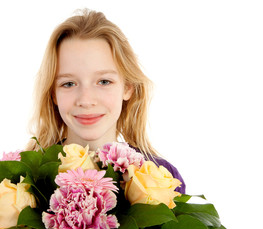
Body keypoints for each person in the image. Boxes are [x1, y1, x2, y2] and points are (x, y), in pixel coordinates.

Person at [25, 9, 185, 194]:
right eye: (68, 83)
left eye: (103, 81)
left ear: (127, 87)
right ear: (53, 93)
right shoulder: (23, 182)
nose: (86, 100)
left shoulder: (161, 179)